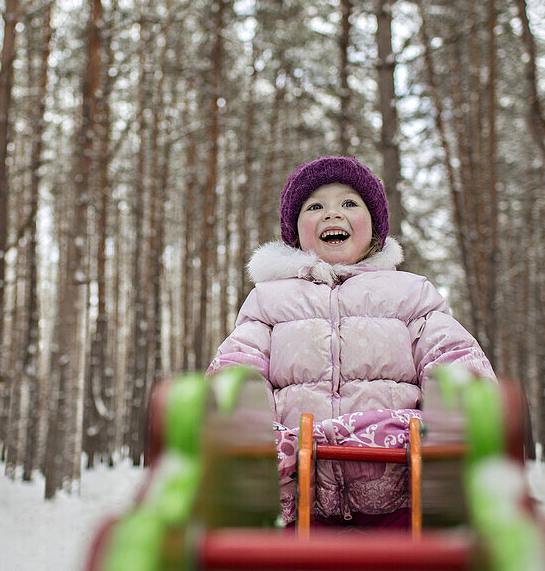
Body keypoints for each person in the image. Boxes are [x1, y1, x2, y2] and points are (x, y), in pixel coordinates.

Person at [208, 155, 495, 529]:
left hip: (402, 502)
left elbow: (452, 357)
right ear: (295, 233)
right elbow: (238, 370)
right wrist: (255, 436)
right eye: (315, 207)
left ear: (374, 226)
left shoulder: (409, 294)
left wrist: (455, 421)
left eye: (348, 203)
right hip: (301, 506)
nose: (332, 214)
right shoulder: (269, 300)